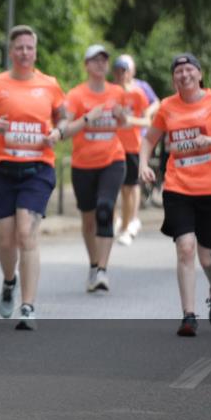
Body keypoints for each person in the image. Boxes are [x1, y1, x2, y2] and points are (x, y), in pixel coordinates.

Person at [140, 53, 211, 337]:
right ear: (173, 79)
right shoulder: (167, 107)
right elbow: (149, 139)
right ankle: (188, 315)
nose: (184, 75)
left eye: (190, 69)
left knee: (206, 259)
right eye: (178, 71)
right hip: (178, 187)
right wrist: (143, 163)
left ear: (200, 75)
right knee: (185, 247)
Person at [0, 25, 65, 330]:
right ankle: (9, 281)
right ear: (11, 51)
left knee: (25, 233)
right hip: (2, 169)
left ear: (35, 51)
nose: (25, 53)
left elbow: (63, 118)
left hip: (38, 169)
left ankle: (28, 306)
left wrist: (57, 131)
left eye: (29, 47)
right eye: (19, 48)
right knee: (5, 240)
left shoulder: (50, 85)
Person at [64, 45, 128, 292]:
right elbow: (66, 129)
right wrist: (89, 117)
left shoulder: (117, 92)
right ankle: (93, 265)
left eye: (104, 60)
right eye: (95, 60)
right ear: (86, 65)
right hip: (83, 164)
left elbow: (122, 123)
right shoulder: (76, 95)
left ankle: (102, 269)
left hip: (113, 159)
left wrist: (121, 116)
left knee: (105, 209)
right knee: (88, 219)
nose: (101, 64)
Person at [112, 55, 151, 246]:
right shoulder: (110, 93)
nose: (121, 74)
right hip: (113, 147)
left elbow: (147, 120)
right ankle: (120, 224)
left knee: (129, 188)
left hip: (132, 147)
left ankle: (127, 227)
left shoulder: (137, 94)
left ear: (129, 73)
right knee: (116, 187)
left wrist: (130, 121)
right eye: (118, 71)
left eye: (124, 71)